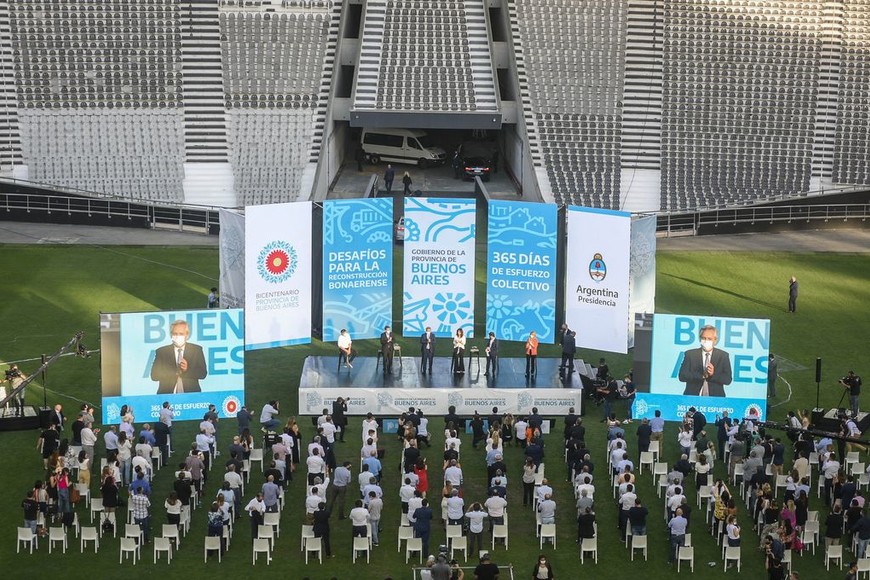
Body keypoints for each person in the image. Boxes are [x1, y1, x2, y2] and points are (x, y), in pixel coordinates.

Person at [150, 320, 207, 394]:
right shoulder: (161, 352)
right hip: (167, 395)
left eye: (181, 334)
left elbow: (202, 374)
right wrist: (175, 372)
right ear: (171, 335)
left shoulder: (196, 350)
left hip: (191, 396)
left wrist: (187, 369)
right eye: (175, 334)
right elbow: (154, 375)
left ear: (187, 335)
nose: (178, 336)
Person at [678, 324, 733, 397]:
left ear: (715, 340)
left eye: (709, 339)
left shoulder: (723, 356)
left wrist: (713, 374)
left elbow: (727, 380)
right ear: (700, 339)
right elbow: (682, 376)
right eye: (703, 338)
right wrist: (702, 376)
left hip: (715, 399)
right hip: (692, 397)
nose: (706, 341)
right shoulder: (690, 354)